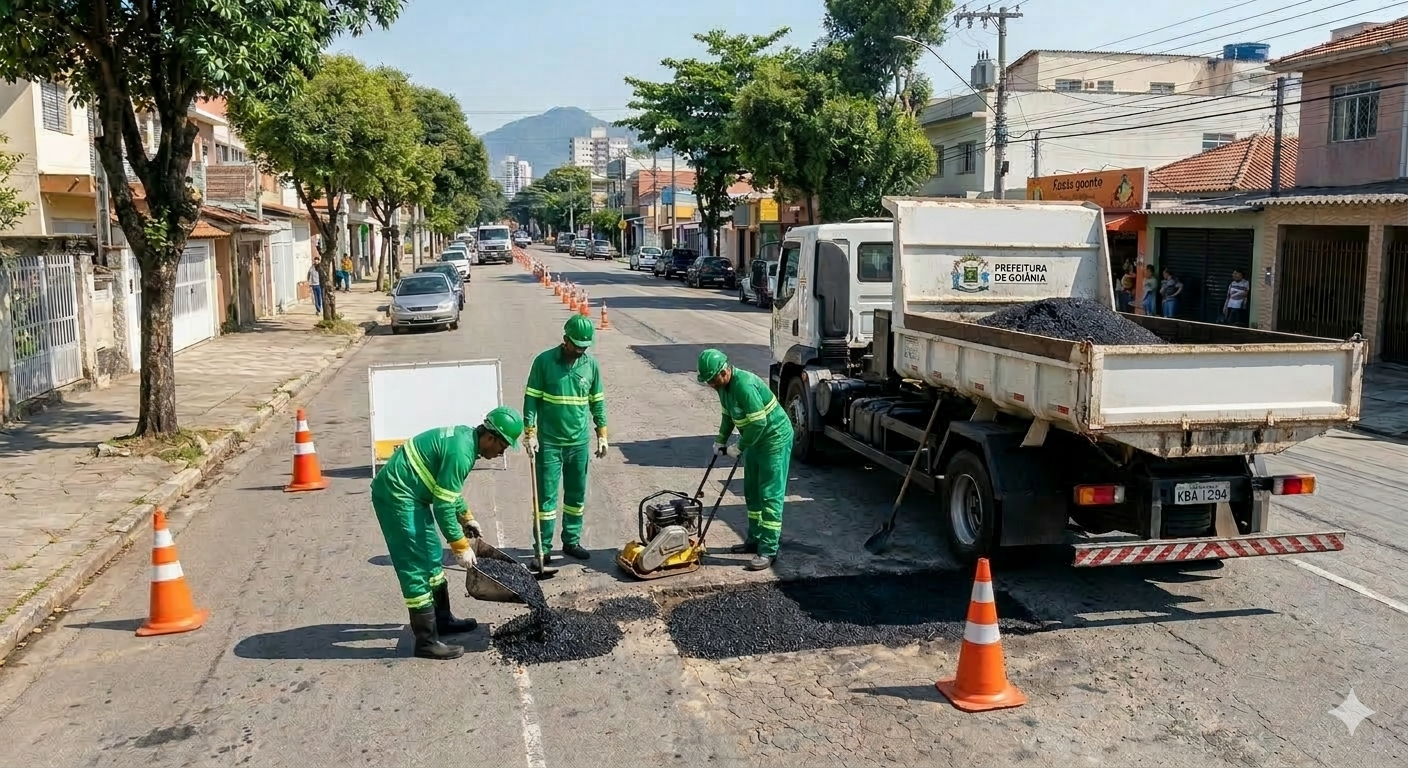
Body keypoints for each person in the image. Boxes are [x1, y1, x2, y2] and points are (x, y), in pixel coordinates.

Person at [370, 407, 524, 660]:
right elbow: (442, 507)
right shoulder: (462, 452)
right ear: (490, 438)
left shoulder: (467, 441)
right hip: (397, 496)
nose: (501, 453)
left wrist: (466, 517)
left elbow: (448, 491)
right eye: (503, 446)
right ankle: (426, 642)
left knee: (432, 555)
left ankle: (442, 620)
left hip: (414, 496)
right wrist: (460, 547)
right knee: (415, 566)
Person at [523, 315, 608, 568]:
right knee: (546, 500)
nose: (580, 350)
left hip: (578, 444)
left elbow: (597, 402)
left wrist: (602, 435)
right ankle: (543, 548)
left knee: (576, 496)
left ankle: (571, 541)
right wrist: (530, 433)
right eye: (576, 345)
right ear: (565, 339)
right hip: (550, 443)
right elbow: (531, 400)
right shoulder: (544, 362)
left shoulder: (591, 366)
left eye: (584, 346)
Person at [697, 349, 793, 571]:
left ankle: (768, 549)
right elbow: (728, 415)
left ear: (724, 371)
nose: (711, 385)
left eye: (712, 380)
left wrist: (738, 446)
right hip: (754, 440)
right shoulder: (722, 387)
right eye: (708, 381)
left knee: (769, 495)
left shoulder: (744, 384)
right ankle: (754, 539)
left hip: (773, 440)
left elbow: (759, 423)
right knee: (751, 491)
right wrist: (720, 440)